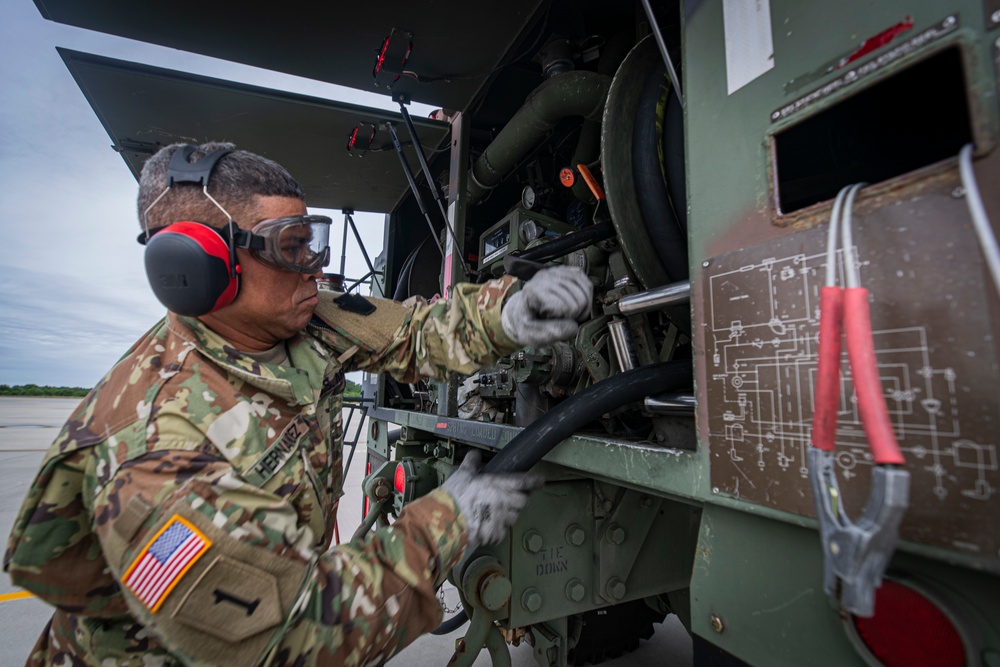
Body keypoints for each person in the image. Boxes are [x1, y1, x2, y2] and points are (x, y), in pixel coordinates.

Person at [4, 142, 594, 666]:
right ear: (199, 268)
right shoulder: (157, 449)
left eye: (312, 240)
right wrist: (446, 525)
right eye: (290, 247)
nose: (316, 266)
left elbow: (413, 331)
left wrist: (509, 313)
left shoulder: (304, 317)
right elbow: (290, 637)